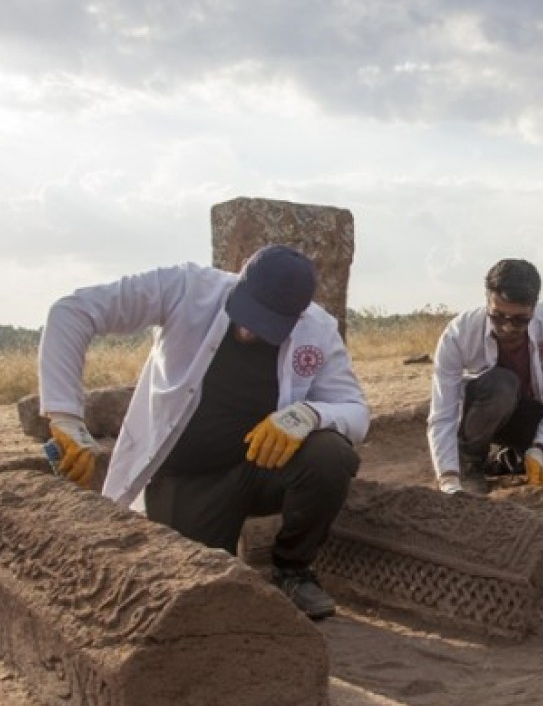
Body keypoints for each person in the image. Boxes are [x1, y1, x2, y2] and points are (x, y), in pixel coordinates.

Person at [38, 244, 369, 620]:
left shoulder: (318, 330)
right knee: (200, 597)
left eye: (267, 323)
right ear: (239, 284)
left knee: (330, 455)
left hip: (258, 471)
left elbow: (355, 410)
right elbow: (72, 312)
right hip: (186, 480)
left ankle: (293, 571)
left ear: (297, 317)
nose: (248, 329)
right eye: (247, 314)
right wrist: (65, 416)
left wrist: (309, 413)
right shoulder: (186, 288)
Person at [427, 259, 543, 495]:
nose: (507, 327)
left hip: (520, 412)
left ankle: (504, 461)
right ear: (487, 301)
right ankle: (469, 465)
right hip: (476, 413)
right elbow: (443, 413)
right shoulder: (459, 333)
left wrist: (539, 448)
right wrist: (448, 476)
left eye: (520, 320)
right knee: (502, 384)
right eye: (498, 316)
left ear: (534, 306)